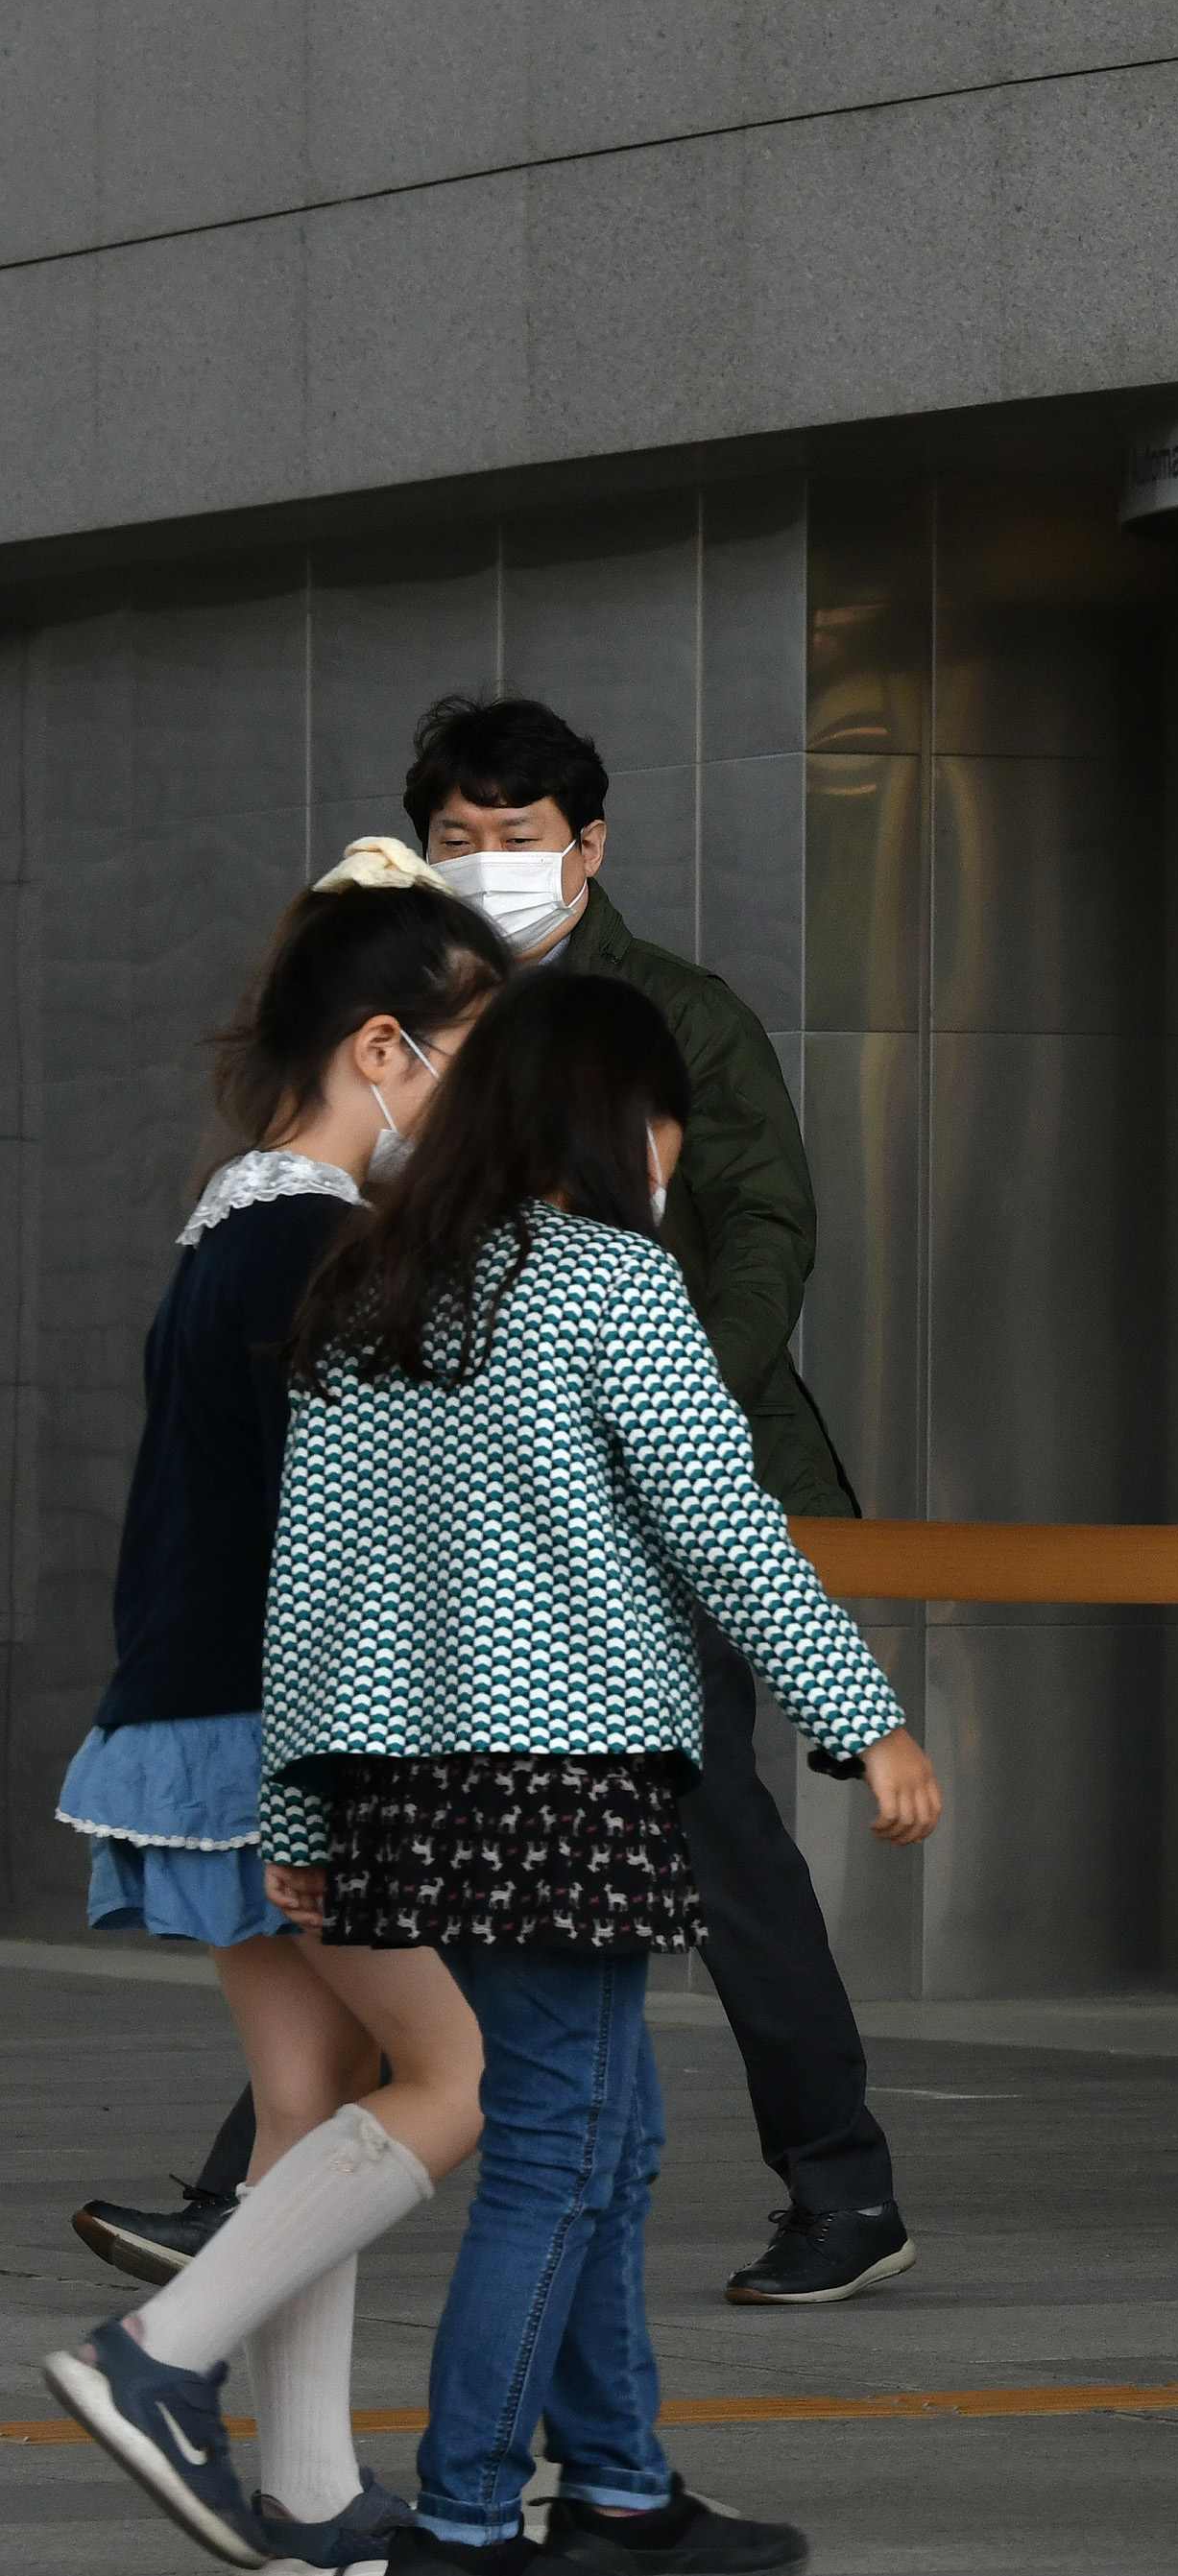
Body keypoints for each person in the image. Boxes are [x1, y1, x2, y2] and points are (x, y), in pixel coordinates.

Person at [82, 694, 911, 2312]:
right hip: (461, 1486)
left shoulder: (675, 1009)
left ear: (586, 846)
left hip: (633, 1465)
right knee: (405, 1824)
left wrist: (652, 1390)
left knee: (708, 1829)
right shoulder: (402, 1013)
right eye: (458, 836)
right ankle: (259, 2182)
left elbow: (760, 1228)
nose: (489, 861)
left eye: (515, 836)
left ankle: (841, 2178)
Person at [251, 968, 945, 2576]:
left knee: (603, 2136)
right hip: (561, 1780)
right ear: (624, 1125)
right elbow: (723, 1526)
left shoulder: (370, 1289)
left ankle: (624, 2488)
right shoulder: (611, 1284)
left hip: (402, 1782)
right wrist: (866, 1722)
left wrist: (295, 1808)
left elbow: (308, 1575)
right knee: (561, 2148)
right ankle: (473, 2525)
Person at [37, 851, 509, 2576]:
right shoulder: (318, 1247)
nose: (482, 1112)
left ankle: (308, 2492)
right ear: (382, 1047)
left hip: (193, 1710)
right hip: (281, 1726)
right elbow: (345, 1543)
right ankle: (161, 2355)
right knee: (460, 2076)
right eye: (472, 1065)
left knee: (316, 2094)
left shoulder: (227, 1227)